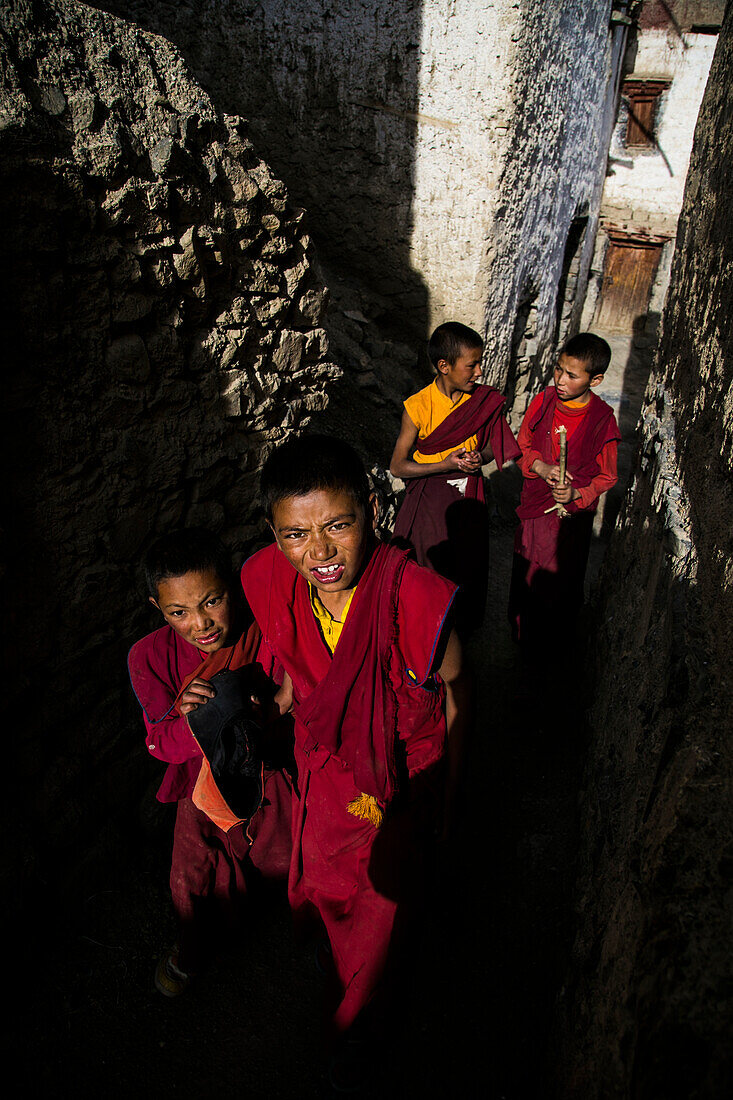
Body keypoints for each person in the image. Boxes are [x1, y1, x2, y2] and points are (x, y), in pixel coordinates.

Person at [240, 435, 465, 1081]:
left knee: (379, 909)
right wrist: (277, 704)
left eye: (338, 525)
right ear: (273, 532)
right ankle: (342, 957)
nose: (319, 553)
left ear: (371, 510)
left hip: (398, 778)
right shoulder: (266, 578)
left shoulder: (415, 598)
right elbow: (293, 664)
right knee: (326, 884)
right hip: (326, 769)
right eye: (295, 535)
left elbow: (454, 690)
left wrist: (452, 790)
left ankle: (360, 1030)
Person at [127, 528, 292, 996]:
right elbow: (161, 744)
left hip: (268, 761)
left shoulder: (262, 624)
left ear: (231, 587)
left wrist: (263, 710)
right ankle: (193, 946)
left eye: (212, 601)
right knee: (193, 871)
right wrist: (190, 719)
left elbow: (291, 693)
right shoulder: (150, 656)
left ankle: (280, 925)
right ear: (158, 609)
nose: (201, 624)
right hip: (198, 779)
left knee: (277, 854)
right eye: (179, 612)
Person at [390, 321, 520, 634]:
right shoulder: (417, 407)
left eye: (479, 364)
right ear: (444, 366)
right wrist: (445, 464)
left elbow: (493, 446)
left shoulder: (482, 401)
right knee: (427, 569)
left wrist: (481, 457)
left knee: (467, 566)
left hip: (470, 495)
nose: (478, 373)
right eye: (472, 365)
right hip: (427, 499)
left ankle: (459, 635)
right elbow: (398, 466)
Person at [508, 333, 620, 660]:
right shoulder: (543, 402)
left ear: (595, 380)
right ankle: (521, 642)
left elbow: (607, 476)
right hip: (535, 511)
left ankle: (552, 650)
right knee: (527, 571)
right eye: (558, 370)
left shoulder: (602, 420)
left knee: (560, 580)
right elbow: (522, 447)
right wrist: (540, 467)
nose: (560, 380)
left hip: (572, 521)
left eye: (572, 375)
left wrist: (576, 493)